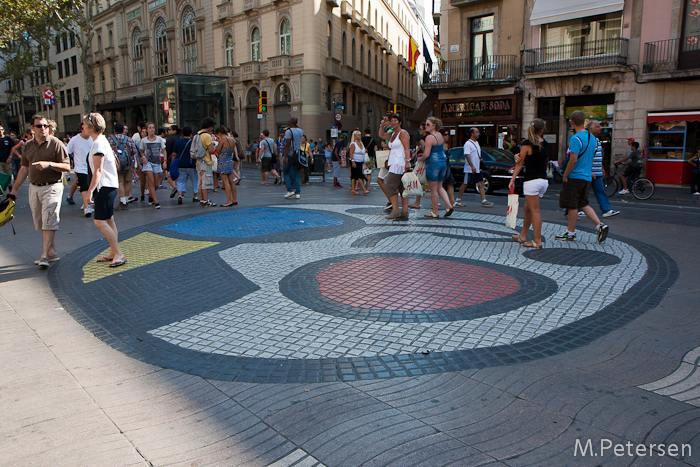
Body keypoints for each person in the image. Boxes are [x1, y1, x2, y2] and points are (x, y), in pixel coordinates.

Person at [8, 115, 70, 267]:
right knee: (42, 222)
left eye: (45, 125)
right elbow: (24, 168)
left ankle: (43, 256)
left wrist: (49, 164)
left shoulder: (56, 144)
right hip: (34, 187)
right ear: (32, 129)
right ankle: (52, 252)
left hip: (52, 187)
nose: (43, 128)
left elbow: (67, 167)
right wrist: (14, 189)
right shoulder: (28, 146)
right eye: (39, 126)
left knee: (49, 220)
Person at [556, 110, 609, 243]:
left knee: (572, 205)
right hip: (587, 176)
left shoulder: (575, 138)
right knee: (583, 203)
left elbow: (573, 160)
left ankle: (571, 232)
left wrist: (565, 175)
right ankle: (599, 225)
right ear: (584, 121)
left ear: (572, 122)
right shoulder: (592, 138)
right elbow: (590, 157)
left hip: (575, 176)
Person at [83, 113, 125, 268]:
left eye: (85, 125)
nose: (83, 128)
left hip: (104, 186)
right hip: (109, 185)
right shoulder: (101, 141)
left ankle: (118, 253)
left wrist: (89, 192)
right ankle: (114, 252)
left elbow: (98, 170)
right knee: (108, 220)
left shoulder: (98, 144)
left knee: (99, 221)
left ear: (92, 127)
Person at [510, 119, 550, 249]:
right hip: (543, 181)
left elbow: (520, 163)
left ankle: (537, 240)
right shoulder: (546, 145)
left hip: (531, 181)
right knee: (527, 209)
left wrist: (513, 179)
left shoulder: (527, 144)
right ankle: (522, 235)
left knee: (534, 211)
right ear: (542, 130)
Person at [416, 117, 453, 218]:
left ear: (434, 125)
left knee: (433, 190)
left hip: (433, 164)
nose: (425, 126)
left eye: (428, 124)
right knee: (440, 187)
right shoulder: (440, 135)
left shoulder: (429, 138)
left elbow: (427, 154)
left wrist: (420, 158)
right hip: (442, 163)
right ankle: (449, 205)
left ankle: (435, 211)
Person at [379, 113, 411, 220]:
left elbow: (407, 148)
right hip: (394, 162)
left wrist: (407, 161)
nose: (393, 122)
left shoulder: (403, 133)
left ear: (400, 122)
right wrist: (382, 125)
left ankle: (396, 210)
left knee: (390, 186)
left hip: (400, 163)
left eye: (395, 120)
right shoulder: (393, 134)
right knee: (402, 188)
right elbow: (381, 135)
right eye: (391, 120)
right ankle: (404, 212)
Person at [587, 121, 620, 217]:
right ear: (591, 128)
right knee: (583, 192)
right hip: (589, 171)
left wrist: (602, 168)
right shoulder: (588, 139)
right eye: (597, 127)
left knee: (600, 190)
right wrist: (588, 170)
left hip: (597, 171)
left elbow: (598, 155)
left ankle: (607, 210)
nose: (599, 128)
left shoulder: (597, 140)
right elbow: (587, 156)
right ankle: (577, 209)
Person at [455, 127, 494, 208]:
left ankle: (484, 200)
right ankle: (458, 199)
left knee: (481, 183)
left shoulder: (477, 143)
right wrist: (472, 166)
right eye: (477, 132)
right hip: (470, 168)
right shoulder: (468, 144)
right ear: (472, 133)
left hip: (477, 167)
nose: (478, 133)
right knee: (465, 183)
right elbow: (467, 155)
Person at [65, 123, 94, 216]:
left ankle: (86, 202)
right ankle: (87, 207)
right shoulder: (75, 140)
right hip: (80, 167)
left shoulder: (93, 139)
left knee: (91, 186)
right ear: (81, 129)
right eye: (84, 128)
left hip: (92, 167)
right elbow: (67, 152)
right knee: (84, 187)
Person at [109, 122, 139, 210]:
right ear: (123, 130)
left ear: (114, 130)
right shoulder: (128, 139)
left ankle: (122, 201)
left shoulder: (110, 139)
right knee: (127, 181)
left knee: (120, 182)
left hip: (117, 164)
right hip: (128, 163)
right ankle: (126, 199)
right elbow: (134, 151)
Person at [139, 122, 166, 209]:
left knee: (156, 184)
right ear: (147, 130)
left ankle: (151, 195)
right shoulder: (144, 140)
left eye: (153, 128)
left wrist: (164, 161)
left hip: (157, 162)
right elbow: (141, 151)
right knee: (151, 182)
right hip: (148, 162)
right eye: (150, 128)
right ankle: (156, 202)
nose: (152, 129)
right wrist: (143, 157)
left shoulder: (159, 139)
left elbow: (164, 150)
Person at [195, 117, 217, 207]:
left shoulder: (197, 134)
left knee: (200, 181)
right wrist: (214, 146)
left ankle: (202, 199)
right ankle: (206, 200)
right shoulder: (207, 136)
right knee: (205, 181)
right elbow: (211, 150)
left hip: (198, 160)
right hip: (206, 160)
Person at [214, 126, 238, 207]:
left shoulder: (223, 139)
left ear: (219, 133)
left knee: (226, 182)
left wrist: (217, 142)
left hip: (222, 161)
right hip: (229, 161)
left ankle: (229, 201)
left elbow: (217, 150)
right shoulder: (232, 139)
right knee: (231, 181)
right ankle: (234, 199)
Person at [173, 126, 198, 204]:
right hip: (191, 164)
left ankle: (180, 195)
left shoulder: (178, 142)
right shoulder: (193, 142)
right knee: (194, 180)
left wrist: (173, 162)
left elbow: (174, 153)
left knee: (180, 180)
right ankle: (195, 196)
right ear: (191, 134)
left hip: (181, 164)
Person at [282, 117, 304, 199]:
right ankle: (297, 193)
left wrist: (286, 157)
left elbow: (287, 145)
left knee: (286, 171)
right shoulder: (301, 131)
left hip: (291, 154)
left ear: (291, 122)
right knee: (297, 173)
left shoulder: (289, 131)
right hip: (298, 155)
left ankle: (290, 190)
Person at [408, 121, 427, 209]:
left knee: (419, 181)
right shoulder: (433, 137)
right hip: (434, 163)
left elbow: (425, 152)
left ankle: (417, 202)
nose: (419, 130)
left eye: (420, 129)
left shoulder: (423, 139)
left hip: (425, 163)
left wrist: (421, 158)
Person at [348, 130, 369, 195]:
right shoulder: (353, 144)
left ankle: (353, 189)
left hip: (360, 161)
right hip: (355, 161)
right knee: (359, 175)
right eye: (358, 135)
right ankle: (364, 189)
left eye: (360, 135)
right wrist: (352, 161)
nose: (360, 136)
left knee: (354, 176)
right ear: (354, 136)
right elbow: (351, 153)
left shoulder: (361, 143)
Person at [440, 128, 457, 207]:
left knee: (450, 183)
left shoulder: (446, 145)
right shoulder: (438, 145)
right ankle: (436, 201)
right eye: (445, 135)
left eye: (448, 134)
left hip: (447, 166)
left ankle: (452, 200)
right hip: (441, 166)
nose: (447, 136)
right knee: (439, 185)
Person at [165, 125, 181, 198]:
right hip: (181, 158)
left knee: (169, 174)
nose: (168, 131)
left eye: (170, 129)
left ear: (175, 130)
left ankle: (174, 187)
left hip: (171, 158)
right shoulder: (180, 138)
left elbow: (167, 150)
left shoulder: (169, 139)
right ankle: (180, 191)